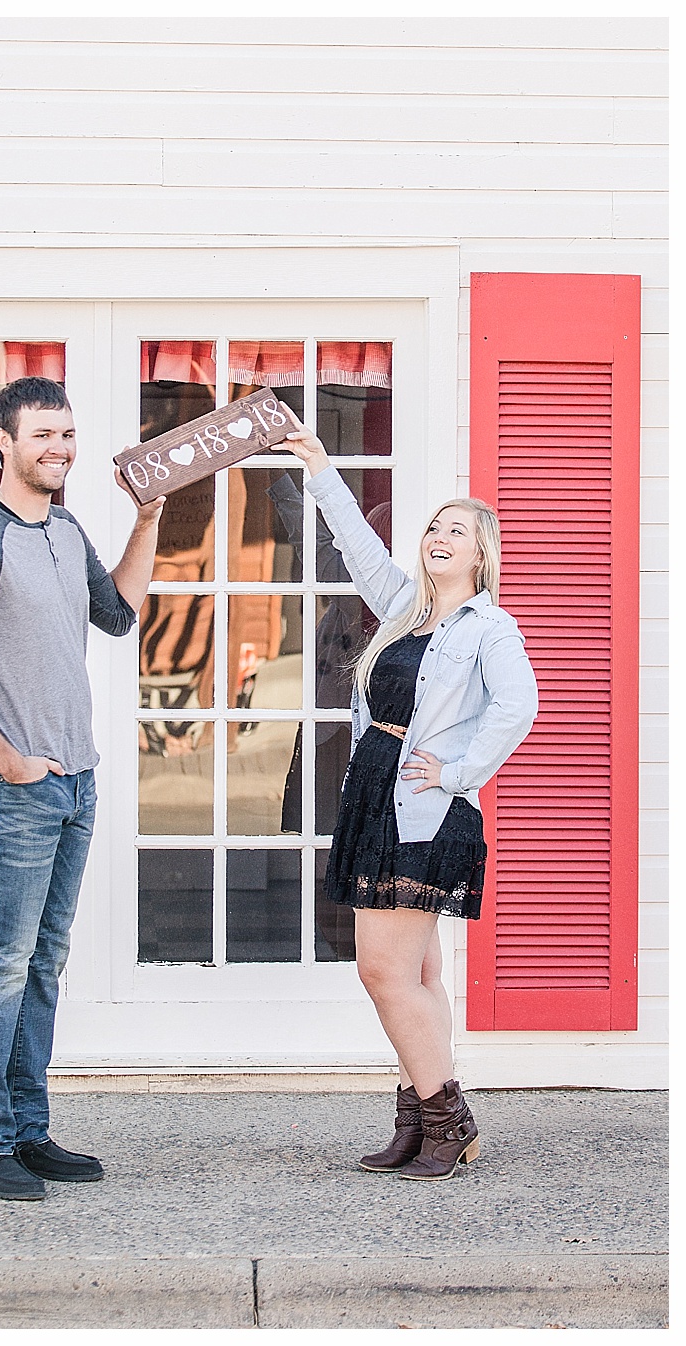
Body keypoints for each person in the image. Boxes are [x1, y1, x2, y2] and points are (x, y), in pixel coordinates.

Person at [0, 376, 166, 1201]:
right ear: (2, 443)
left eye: (67, 434)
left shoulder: (62, 527)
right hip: (10, 788)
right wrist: (11, 760)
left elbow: (119, 613)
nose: (58, 449)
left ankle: (28, 1130)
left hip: (75, 782)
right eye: (41, 436)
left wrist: (149, 520)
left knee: (43, 966)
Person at [283, 428, 537, 1181]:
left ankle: (448, 1120)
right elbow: (358, 547)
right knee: (419, 973)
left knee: (383, 971)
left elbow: (518, 706)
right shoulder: (402, 608)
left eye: (456, 530)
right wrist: (323, 472)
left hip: (425, 806)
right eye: (433, 526)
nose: (438, 536)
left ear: (481, 555)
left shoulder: (490, 627)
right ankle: (414, 1121)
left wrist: (459, 772)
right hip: (377, 792)